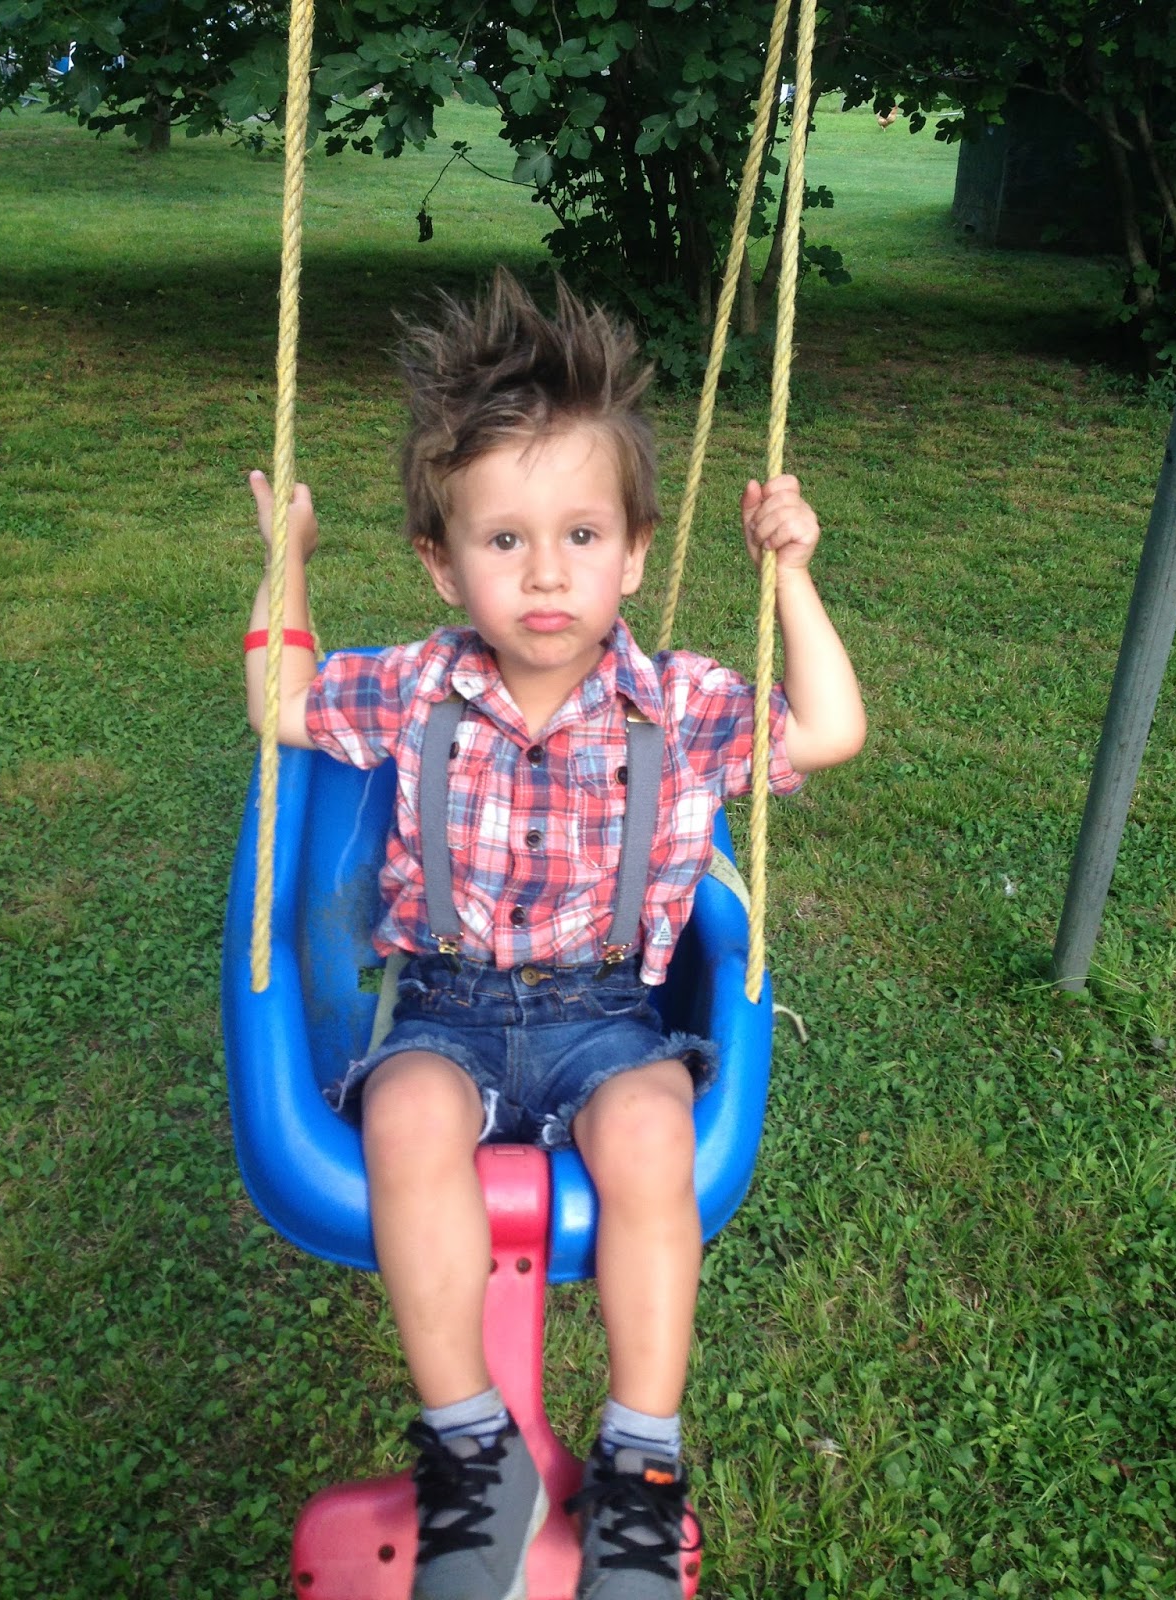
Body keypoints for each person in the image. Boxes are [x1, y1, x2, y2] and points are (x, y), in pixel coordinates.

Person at [244, 271, 865, 1600]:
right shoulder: (417, 684)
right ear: (442, 562)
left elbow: (827, 731)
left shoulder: (678, 703)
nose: (544, 573)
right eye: (504, 539)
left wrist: (793, 578)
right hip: (447, 1005)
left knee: (648, 1133)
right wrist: (285, 557)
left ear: (633, 553)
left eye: (581, 534)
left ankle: (640, 1470)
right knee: (405, 1117)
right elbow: (282, 704)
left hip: (607, 1018)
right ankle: (474, 1456)